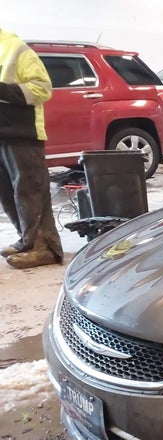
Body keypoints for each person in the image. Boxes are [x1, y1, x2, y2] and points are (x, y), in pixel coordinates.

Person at [0, 28, 63, 269]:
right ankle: (28, 241)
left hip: (22, 134)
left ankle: (45, 248)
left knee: (29, 192)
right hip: (1, 136)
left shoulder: (14, 48)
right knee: (8, 195)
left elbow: (42, 88)